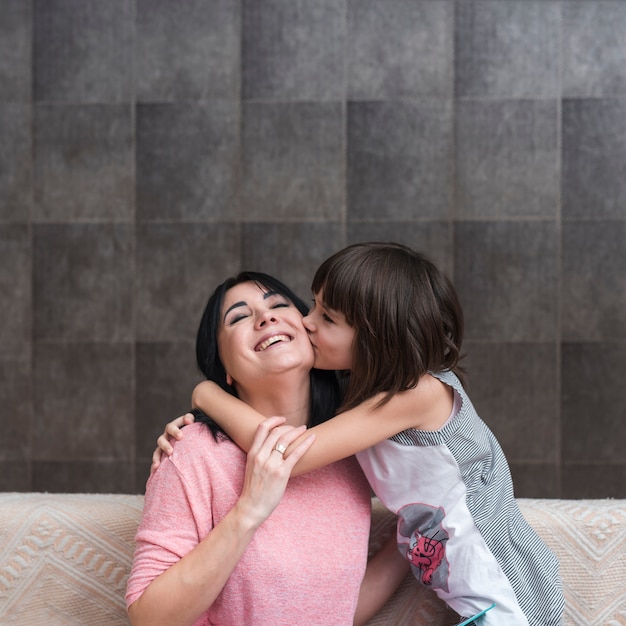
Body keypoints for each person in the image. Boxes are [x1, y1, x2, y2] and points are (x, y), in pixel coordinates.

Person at [154, 243, 564, 626]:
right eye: (312, 306)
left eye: (326, 318)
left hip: (510, 588)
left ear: (375, 340)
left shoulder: (417, 393)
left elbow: (284, 456)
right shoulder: (356, 412)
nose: (305, 321)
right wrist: (187, 433)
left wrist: (206, 393)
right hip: (472, 595)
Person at [127, 271, 408, 626]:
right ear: (224, 368)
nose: (266, 317)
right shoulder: (194, 452)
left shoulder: (352, 454)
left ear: (312, 334)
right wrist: (249, 510)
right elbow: (147, 619)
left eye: (278, 304)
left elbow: (334, 612)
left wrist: (413, 536)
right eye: (239, 317)